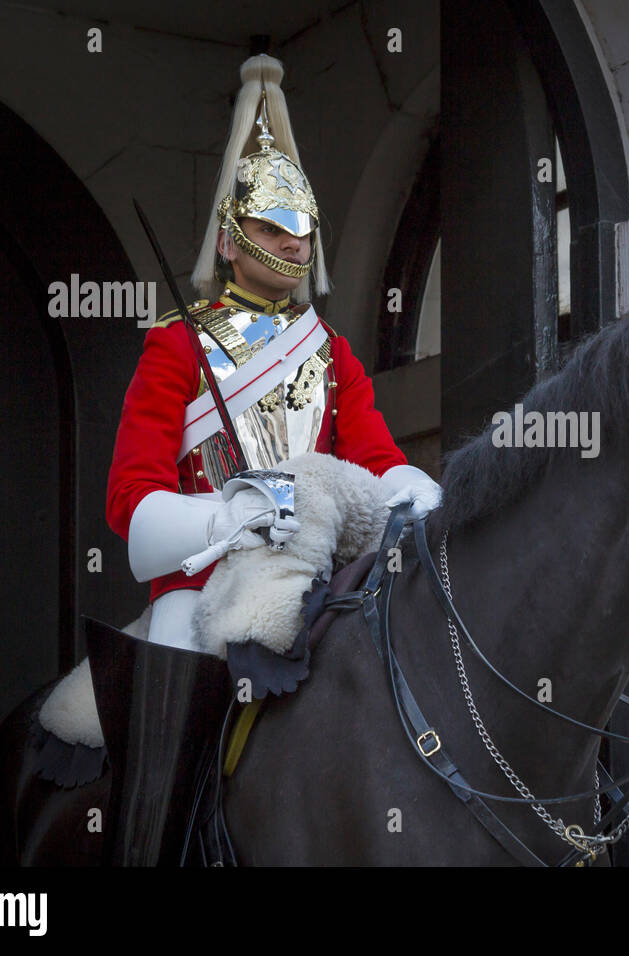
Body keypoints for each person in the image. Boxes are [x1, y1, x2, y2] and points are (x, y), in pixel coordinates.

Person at [97, 53, 440, 864]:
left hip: (319, 574)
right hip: (203, 583)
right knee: (175, 668)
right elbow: (131, 499)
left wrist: (422, 500)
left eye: (300, 227)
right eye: (269, 226)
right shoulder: (178, 346)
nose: (289, 241)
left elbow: (379, 456)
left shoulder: (333, 354)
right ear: (230, 234)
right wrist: (233, 517)